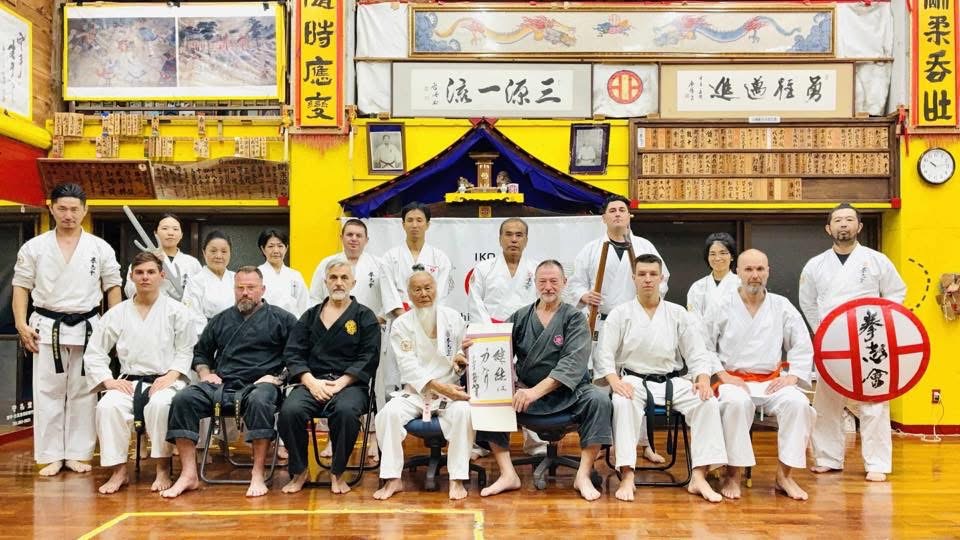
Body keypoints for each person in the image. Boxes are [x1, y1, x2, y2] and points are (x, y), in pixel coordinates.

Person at [475, 260, 613, 501]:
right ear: (535, 284)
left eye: (554, 281)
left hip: (568, 394)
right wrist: (471, 348)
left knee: (599, 399)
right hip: (527, 395)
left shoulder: (575, 318)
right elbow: (497, 348)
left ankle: (582, 474)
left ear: (564, 283)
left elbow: (571, 365)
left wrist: (534, 392)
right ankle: (508, 474)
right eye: (542, 281)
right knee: (490, 397)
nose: (548, 287)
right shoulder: (521, 316)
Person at [594, 254, 727, 503]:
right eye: (642, 274)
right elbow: (605, 354)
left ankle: (699, 476)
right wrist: (614, 381)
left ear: (661, 278)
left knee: (707, 402)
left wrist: (703, 379)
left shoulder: (677, 313)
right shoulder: (620, 314)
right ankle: (627, 475)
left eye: (653, 274)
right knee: (622, 402)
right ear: (633, 278)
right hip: (633, 380)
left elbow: (697, 352)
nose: (647, 279)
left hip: (672, 381)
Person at [12, 183, 122, 476]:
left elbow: (113, 287)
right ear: (52, 208)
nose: (68, 215)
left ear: (85, 210)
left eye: (74, 209)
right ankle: (50, 455)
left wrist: (112, 326)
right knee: (47, 391)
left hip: (88, 326)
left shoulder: (99, 247)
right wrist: (21, 324)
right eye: (62, 208)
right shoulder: (34, 247)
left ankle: (77, 453)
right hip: (47, 326)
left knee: (84, 392)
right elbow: (21, 286)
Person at [161, 266, 297, 498]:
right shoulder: (221, 320)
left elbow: (297, 356)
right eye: (240, 288)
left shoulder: (282, 319)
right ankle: (189, 474)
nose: (245, 293)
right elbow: (201, 353)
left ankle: (257, 473)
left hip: (262, 384)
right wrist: (205, 373)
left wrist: (278, 378)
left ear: (263, 289)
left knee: (260, 399)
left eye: (251, 288)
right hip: (223, 385)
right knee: (184, 398)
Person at [799, 203, 907, 482]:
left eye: (849, 220)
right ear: (828, 228)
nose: (843, 224)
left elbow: (896, 294)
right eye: (838, 220)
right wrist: (822, 331)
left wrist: (882, 325)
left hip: (871, 339)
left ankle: (877, 463)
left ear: (859, 226)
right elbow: (807, 302)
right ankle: (828, 458)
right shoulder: (815, 265)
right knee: (827, 401)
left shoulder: (877, 260)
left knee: (874, 401)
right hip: (832, 342)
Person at [702, 249, 816, 501]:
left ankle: (785, 475)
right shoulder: (721, 304)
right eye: (749, 269)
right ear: (738, 273)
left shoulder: (781, 306)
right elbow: (704, 345)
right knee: (736, 403)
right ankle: (733, 473)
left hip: (771, 381)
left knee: (798, 404)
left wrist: (793, 376)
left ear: (768, 272)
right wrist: (723, 375)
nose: (755, 275)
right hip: (734, 380)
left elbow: (801, 343)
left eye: (760, 269)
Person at [85, 251, 197, 494]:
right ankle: (119, 471)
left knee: (161, 405)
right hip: (129, 381)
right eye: (139, 272)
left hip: (166, 379)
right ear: (131, 277)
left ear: (161, 275)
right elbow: (95, 352)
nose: (145, 277)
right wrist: (108, 381)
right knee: (107, 406)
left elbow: (186, 349)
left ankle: (163, 469)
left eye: (151, 272)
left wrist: (172, 375)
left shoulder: (177, 311)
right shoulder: (117, 313)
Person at [568, 194, 668, 463]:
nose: (617, 214)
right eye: (612, 210)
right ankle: (601, 442)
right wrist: (584, 295)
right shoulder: (591, 249)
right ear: (604, 218)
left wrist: (649, 296)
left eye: (622, 210)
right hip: (602, 322)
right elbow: (575, 283)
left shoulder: (644, 246)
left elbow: (663, 280)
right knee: (602, 383)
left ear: (629, 216)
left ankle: (645, 444)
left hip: (637, 322)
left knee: (640, 381)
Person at [278, 258, 380, 495]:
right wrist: (311, 382)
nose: (338, 282)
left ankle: (338, 472)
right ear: (325, 282)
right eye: (333, 278)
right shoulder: (310, 316)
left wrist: (342, 382)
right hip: (312, 381)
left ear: (353, 283)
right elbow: (293, 353)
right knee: (290, 411)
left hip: (350, 384)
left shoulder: (364, 316)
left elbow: (369, 356)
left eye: (344, 278)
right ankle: (299, 470)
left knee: (345, 412)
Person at [373, 269, 474, 501]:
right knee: (388, 414)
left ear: (436, 289)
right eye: (417, 289)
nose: (423, 294)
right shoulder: (401, 324)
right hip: (416, 393)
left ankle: (457, 479)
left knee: (464, 413)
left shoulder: (453, 318)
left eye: (428, 288)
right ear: (408, 294)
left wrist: (460, 360)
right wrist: (440, 387)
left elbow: (460, 351)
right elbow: (408, 367)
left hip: (450, 392)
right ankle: (393, 479)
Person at [310, 219, 403, 462]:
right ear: (341, 237)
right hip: (334, 337)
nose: (353, 239)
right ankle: (333, 439)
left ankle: (373, 438)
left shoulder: (378, 265)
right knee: (332, 383)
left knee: (375, 387)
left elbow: (390, 301)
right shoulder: (327, 264)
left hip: (368, 334)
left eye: (358, 235)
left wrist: (378, 318)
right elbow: (315, 299)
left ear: (366, 240)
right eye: (349, 234)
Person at [467, 217, 547, 457]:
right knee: (491, 386)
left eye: (519, 235)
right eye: (509, 234)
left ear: (526, 240)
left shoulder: (536, 269)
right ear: (500, 239)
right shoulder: (484, 268)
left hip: (528, 336)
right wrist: (491, 335)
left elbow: (544, 303)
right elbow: (475, 303)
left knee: (530, 382)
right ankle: (485, 443)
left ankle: (535, 441)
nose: (514, 239)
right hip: (492, 337)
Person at [381, 202, 453, 310]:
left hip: (431, 317)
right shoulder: (390, 257)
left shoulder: (440, 258)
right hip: (400, 318)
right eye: (410, 220)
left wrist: (426, 318)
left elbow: (440, 296)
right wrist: (405, 318)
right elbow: (389, 297)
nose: (414, 225)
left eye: (419, 220)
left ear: (427, 225)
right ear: (403, 225)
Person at [122, 213, 201, 301]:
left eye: (175, 229)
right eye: (165, 228)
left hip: (183, 308)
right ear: (155, 233)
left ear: (181, 234)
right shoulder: (141, 261)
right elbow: (130, 292)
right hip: (152, 307)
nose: (170, 233)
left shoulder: (192, 263)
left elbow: (201, 293)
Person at [182, 230, 236, 335]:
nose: (219, 256)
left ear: (230, 253)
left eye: (224, 251)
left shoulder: (236, 278)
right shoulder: (195, 282)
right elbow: (192, 316)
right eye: (213, 251)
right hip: (208, 336)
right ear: (204, 252)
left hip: (238, 335)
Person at [257, 229, 311, 318]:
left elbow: (305, 307)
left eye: (280, 246)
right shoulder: (256, 274)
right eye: (270, 246)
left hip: (293, 324)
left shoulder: (295, 275)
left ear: (286, 248)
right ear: (263, 249)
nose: (276, 250)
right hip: (265, 324)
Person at [686, 232, 740, 319]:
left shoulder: (741, 285)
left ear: (732, 256)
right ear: (707, 257)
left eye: (723, 253)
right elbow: (693, 319)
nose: (717, 258)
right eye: (712, 254)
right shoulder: (697, 287)